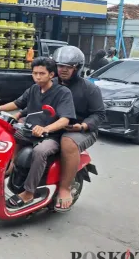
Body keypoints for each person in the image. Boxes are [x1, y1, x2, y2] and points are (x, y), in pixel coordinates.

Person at [0, 57, 76, 208]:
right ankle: (10, 166)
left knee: (39, 151)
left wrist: (46, 128)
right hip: (29, 131)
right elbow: (17, 103)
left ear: (51, 75)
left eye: (42, 73)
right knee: (5, 135)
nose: (37, 77)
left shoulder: (63, 92)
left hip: (51, 136)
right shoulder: (33, 89)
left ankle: (28, 192)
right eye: (35, 73)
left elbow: (65, 119)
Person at [50, 46, 105, 212]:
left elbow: (99, 115)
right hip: (55, 126)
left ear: (77, 68)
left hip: (81, 130)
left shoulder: (89, 89)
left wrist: (82, 126)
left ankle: (65, 188)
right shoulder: (50, 84)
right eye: (60, 66)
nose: (63, 70)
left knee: (68, 142)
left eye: (68, 67)